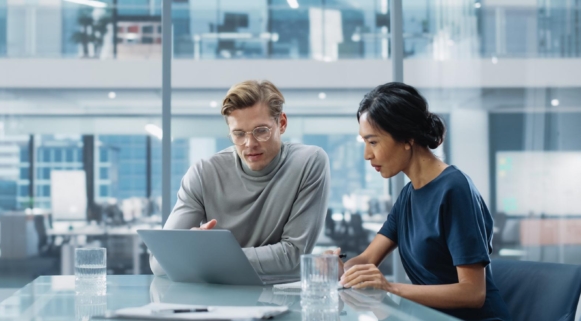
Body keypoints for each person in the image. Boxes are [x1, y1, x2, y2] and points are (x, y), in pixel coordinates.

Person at [332, 82, 511, 320]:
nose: (367, 155)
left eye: (373, 142)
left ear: (407, 138)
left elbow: (473, 293)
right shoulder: (408, 196)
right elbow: (367, 258)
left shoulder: (455, 189)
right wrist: (342, 269)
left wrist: (390, 287)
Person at [150, 80, 331, 276]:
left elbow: (293, 256)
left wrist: (204, 257)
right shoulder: (203, 173)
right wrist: (194, 251)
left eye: (261, 131)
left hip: (281, 297)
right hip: (216, 300)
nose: (249, 143)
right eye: (238, 134)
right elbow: (160, 262)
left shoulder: (308, 162)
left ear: (282, 123)